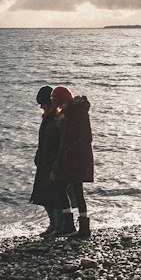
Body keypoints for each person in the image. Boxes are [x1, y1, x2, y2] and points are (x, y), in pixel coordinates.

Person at [50, 84, 94, 237]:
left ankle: (80, 227)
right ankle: (74, 225)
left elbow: (86, 137)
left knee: (74, 190)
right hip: (71, 159)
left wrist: (70, 151)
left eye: (58, 103)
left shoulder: (79, 113)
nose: (58, 107)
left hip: (77, 160)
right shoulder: (69, 113)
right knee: (65, 188)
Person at [30, 85, 66, 237]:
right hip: (44, 163)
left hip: (52, 164)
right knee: (43, 196)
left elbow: (59, 146)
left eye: (43, 104)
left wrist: (55, 166)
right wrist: (38, 156)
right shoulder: (47, 120)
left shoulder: (57, 121)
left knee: (53, 197)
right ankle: (53, 224)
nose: (41, 107)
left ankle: (59, 226)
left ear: (51, 104)